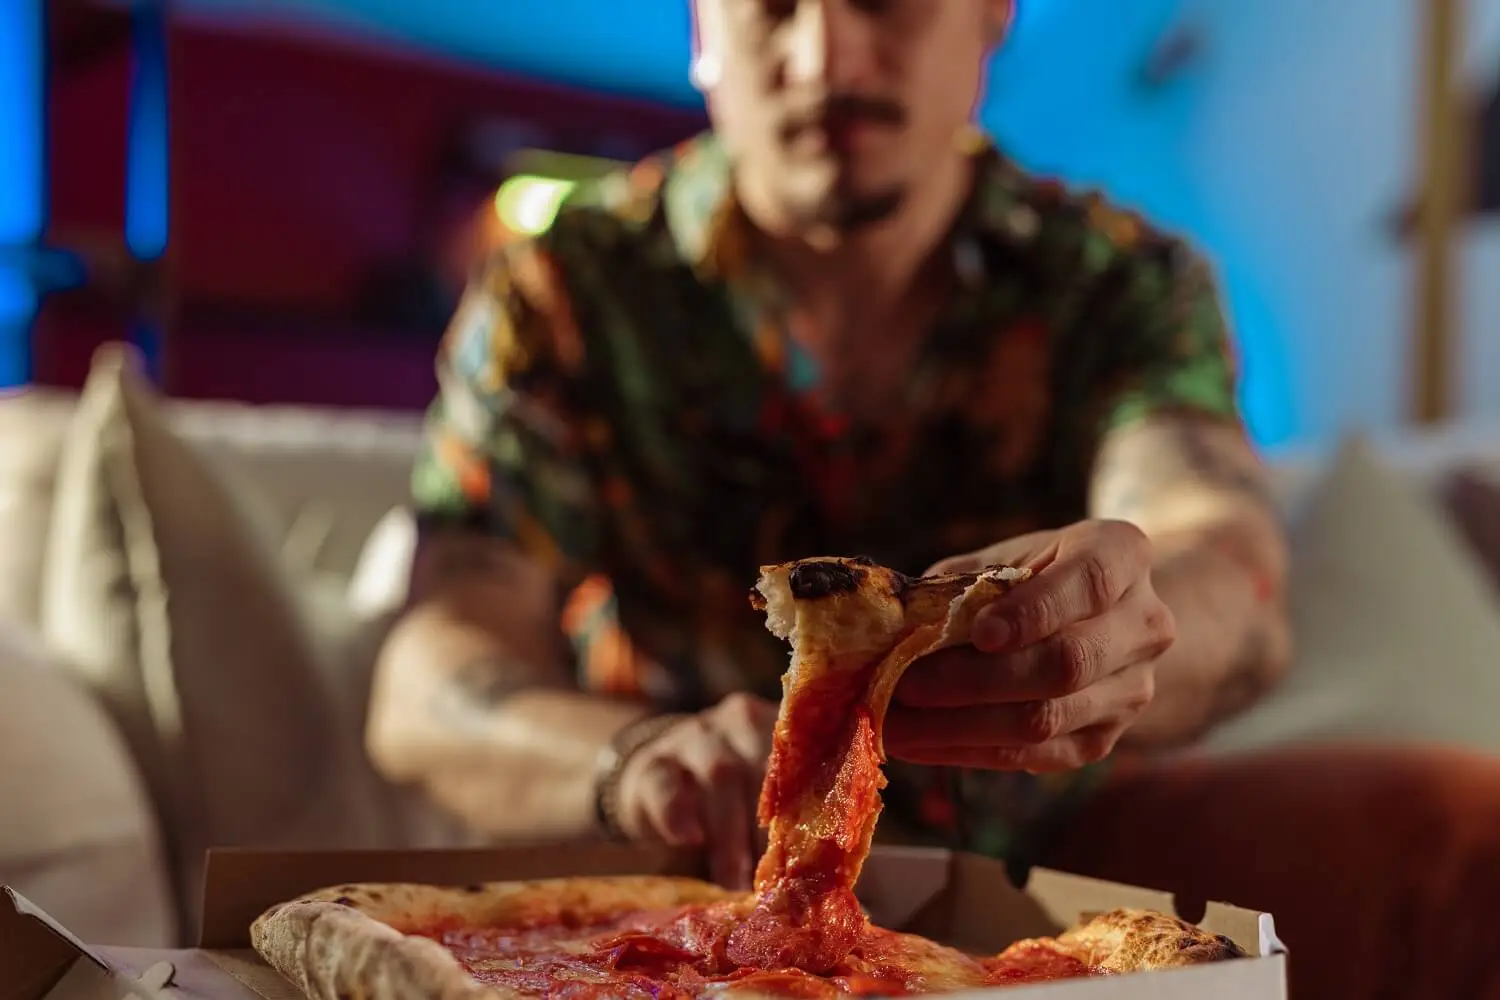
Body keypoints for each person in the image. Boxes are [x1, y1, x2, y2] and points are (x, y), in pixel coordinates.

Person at [368, 2, 1500, 997]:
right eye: (772, 6)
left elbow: (1223, 563)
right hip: (677, 878)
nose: (826, 56)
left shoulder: (1121, 282)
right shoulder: (560, 293)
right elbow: (429, 680)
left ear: (992, 12)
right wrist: (630, 762)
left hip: (1061, 856)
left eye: (884, 0)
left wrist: (1115, 618)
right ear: (703, 29)